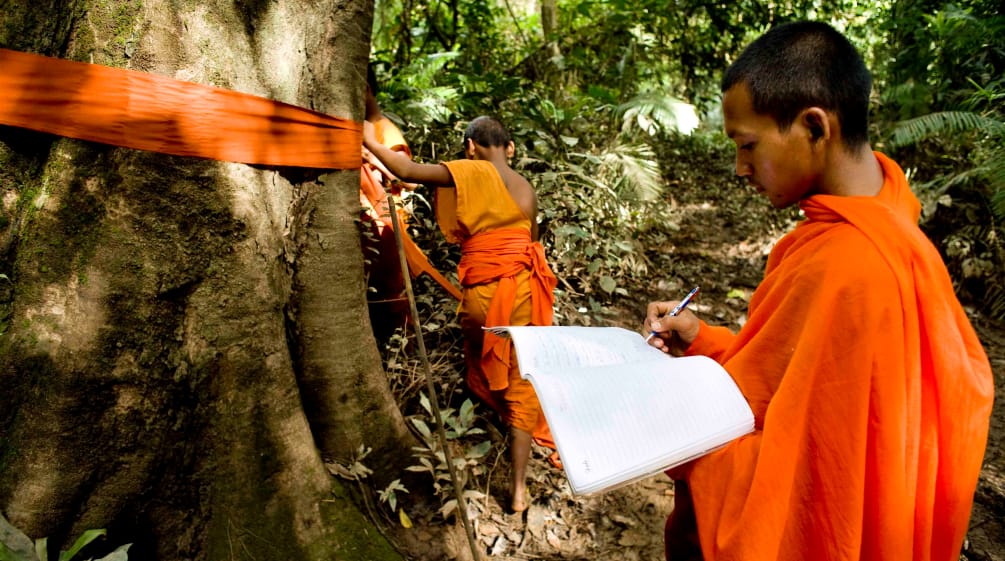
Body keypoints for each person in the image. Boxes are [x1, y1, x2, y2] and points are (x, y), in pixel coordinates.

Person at [644, 21, 994, 561]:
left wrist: (672, 430)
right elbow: (792, 377)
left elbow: (806, 487)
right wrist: (704, 340)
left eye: (748, 145)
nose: (740, 168)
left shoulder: (847, 266)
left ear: (813, 126)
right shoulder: (889, 223)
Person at [363, 115, 559, 513]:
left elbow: (403, 169)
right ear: (511, 148)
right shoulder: (526, 187)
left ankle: (475, 445)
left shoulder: (469, 169)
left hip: (484, 297)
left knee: (483, 364)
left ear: (470, 147)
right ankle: (519, 487)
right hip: (523, 292)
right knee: (523, 384)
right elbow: (530, 245)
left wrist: (368, 138)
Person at [358, 66, 461, 344]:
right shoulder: (368, 128)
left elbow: (407, 180)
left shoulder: (384, 131)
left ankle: (405, 352)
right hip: (373, 225)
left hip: (389, 223)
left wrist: (368, 153)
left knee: (395, 298)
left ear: (366, 90)